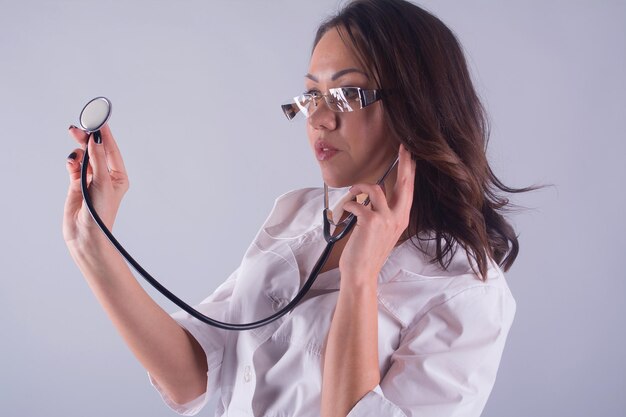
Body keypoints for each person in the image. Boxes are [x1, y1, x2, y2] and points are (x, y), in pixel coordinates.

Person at [63, 0, 531, 416]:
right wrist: (94, 248)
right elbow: (196, 377)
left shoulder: (467, 294)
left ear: (419, 107)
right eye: (312, 96)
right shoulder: (298, 215)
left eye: (347, 95)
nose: (320, 119)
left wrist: (360, 279)